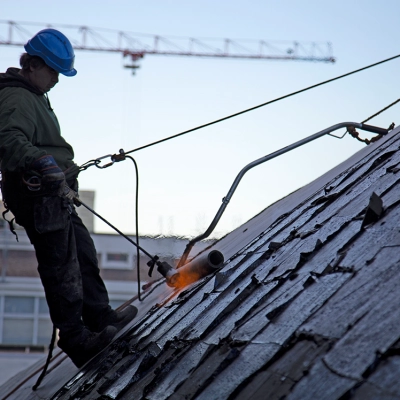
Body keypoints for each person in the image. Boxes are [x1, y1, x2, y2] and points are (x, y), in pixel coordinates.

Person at [0, 29, 137, 368]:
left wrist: (61, 166)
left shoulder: (34, 95)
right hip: (36, 196)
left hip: (52, 194)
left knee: (84, 255)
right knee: (61, 267)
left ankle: (100, 318)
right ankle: (76, 341)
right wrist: (43, 162)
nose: (57, 80)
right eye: (54, 72)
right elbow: (8, 139)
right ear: (33, 65)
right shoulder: (17, 97)